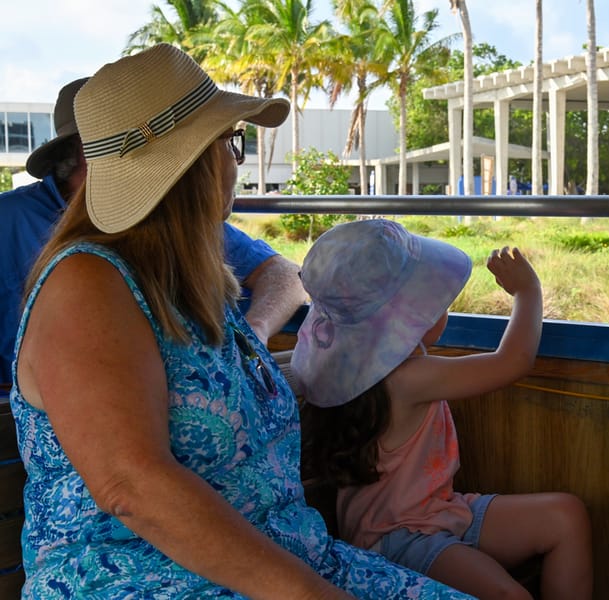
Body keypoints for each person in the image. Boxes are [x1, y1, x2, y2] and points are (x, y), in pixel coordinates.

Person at [10, 43, 473, 599]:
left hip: (282, 557)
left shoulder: (190, 279)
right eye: (233, 141)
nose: (238, 159)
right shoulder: (87, 283)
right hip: (146, 578)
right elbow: (130, 485)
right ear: (197, 161)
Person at [292, 219, 593, 600]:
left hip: (437, 510)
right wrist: (527, 292)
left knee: (566, 516)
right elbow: (511, 361)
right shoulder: (407, 377)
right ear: (404, 321)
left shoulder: (353, 368)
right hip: (395, 537)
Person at [0, 77, 305, 384]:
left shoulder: (171, 223)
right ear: (90, 152)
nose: (234, 159)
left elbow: (282, 272)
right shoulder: (74, 266)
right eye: (225, 141)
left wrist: (255, 331)